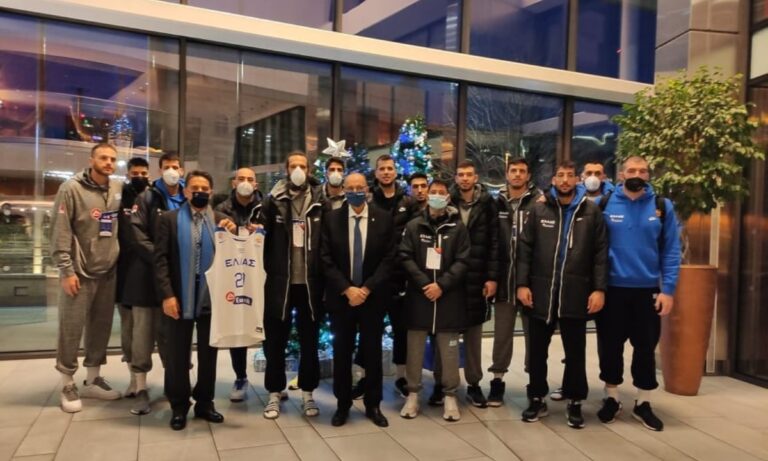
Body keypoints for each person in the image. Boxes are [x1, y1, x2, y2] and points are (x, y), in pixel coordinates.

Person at [515, 161, 608, 429]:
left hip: (576, 293)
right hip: (541, 292)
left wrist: (599, 289)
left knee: (575, 352)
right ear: (553, 180)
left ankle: (575, 400)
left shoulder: (591, 211)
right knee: (537, 352)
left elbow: (600, 254)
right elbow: (525, 249)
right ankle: (536, 398)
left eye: (569, 176)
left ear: (577, 180)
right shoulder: (539, 209)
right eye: (560, 176)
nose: (565, 180)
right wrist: (522, 284)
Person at [595, 155, 681, 432]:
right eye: (631, 170)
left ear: (648, 175)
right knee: (610, 347)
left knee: (645, 348)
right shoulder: (604, 204)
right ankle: (611, 397)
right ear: (621, 174)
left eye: (642, 171)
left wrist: (668, 290)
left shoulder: (662, 206)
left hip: (648, 291)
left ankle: (643, 403)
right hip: (612, 290)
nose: (637, 174)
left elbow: (671, 250)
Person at [155, 170, 235, 431]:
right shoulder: (169, 220)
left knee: (209, 355)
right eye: (194, 188)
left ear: (211, 192)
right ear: (186, 191)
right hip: (179, 296)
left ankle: (205, 403)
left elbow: (235, 257)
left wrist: (235, 234)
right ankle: (178, 406)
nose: (199, 192)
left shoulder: (222, 221)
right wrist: (167, 295)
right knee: (177, 355)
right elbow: (160, 260)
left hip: (212, 298)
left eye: (204, 188)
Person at [51, 142, 123, 413]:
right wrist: (66, 270)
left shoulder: (117, 188)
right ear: (91, 160)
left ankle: (93, 380)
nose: (108, 162)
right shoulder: (70, 188)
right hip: (78, 273)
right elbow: (60, 231)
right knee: (71, 328)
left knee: (100, 328)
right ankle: (67, 383)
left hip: (108, 272)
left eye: (112, 159)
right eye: (103, 157)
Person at [321, 173, 395, 428]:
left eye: (359, 187)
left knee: (373, 353)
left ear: (367, 189)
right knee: (341, 353)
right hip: (342, 299)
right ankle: (342, 405)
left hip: (372, 298)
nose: (355, 191)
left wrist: (366, 289)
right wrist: (347, 289)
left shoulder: (383, 218)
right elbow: (325, 258)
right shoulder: (331, 219)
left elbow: (389, 258)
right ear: (343, 190)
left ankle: (373, 404)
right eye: (350, 187)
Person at [259, 151, 325, 420]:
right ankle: (275, 392)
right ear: (286, 169)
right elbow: (259, 236)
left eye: (302, 166)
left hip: (311, 285)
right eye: (293, 165)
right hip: (279, 284)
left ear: (309, 170)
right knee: (276, 342)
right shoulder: (273, 201)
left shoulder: (320, 201)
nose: (298, 170)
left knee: (310, 342)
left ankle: (308, 393)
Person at [427, 160, 498, 408]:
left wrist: (492, 277)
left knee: (473, 336)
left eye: (469, 174)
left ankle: (474, 384)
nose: (465, 178)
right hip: (449, 279)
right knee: (443, 334)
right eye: (461, 175)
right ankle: (440, 383)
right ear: (456, 178)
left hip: (476, 277)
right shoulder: (446, 201)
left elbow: (494, 241)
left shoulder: (488, 203)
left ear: (475, 177)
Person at [399, 178, 470, 422]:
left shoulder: (458, 228)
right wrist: (424, 283)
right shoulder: (414, 225)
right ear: (427, 196)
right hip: (419, 297)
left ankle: (450, 395)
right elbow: (405, 256)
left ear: (448, 197)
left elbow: (463, 260)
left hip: (448, 297)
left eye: (442, 192)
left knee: (449, 351)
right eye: (433, 192)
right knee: (415, 349)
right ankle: (413, 394)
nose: (437, 195)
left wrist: (442, 285)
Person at [125, 152, 185, 414]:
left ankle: (175, 386)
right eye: (167, 167)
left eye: (175, 167)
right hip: (146, 278)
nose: (172, 171)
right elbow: (137, 234)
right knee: (142, 336)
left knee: (172, 336)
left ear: (182, 170)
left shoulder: (187, 197)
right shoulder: (147, 197)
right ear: (160, 170)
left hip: (176, 280)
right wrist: (161, 259)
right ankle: (140, 388)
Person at [550, 158, 615, 402]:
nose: (593, 177)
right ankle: (565, 387)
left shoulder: (599, 207)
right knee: (562, 345)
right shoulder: (547, 205)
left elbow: (600, 252)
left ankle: (578, 394)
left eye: (597, 173)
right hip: (554, 283)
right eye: (589, 172)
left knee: (576, 344)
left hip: (581, 285)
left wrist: (599, 288)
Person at [353, 154, 414, 399]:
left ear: (395, 172)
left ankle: (401, 377)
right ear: (376, 173)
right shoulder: (368, 200)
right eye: (382, 169)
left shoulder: (408, 202)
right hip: (373, 278)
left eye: (390, 168)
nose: (386, 172)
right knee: (369, 331)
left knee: (401, 330)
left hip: (400, 277)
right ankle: (364, 378)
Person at [487, 157, 542, 407]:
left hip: (531, 284)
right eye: (513, 171)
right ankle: (497, 382)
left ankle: (534, 383)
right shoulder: (495, 202)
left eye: (522, 171)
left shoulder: (540, 202)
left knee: (534, 337)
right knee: (502, 335)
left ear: (528, 176)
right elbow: (490, 241)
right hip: (504, 280)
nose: (517, 175)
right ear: (507, 174)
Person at [214, 166, 263, 402]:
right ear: (233, 183)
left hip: (260, 273)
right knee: (237, 324)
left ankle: (275, 379)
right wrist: (227, 229)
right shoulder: (221, 210)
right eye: (240, 178)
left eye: (249, 179)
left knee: (268, 325)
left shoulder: (266, 208)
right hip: (234, 274)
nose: (245, 182)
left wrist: (263, 231)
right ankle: (240, 377)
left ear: (256, 184)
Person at [115, 156, 157, 415]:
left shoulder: (154, 197)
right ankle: (134, 379)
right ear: (128, 174)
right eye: (135, 173)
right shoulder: (119, 197)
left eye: (143, 173)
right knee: (129, 329)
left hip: (150, 271)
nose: (139, 176)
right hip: (124, 272)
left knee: (147, 330)